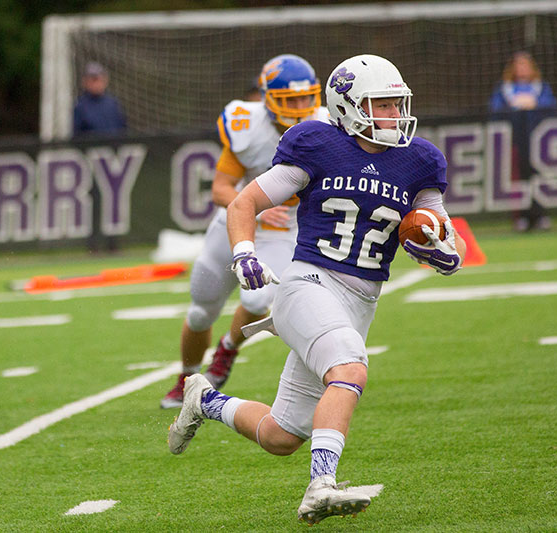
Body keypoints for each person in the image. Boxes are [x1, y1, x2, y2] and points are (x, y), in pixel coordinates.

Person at [167, 54, 467, 525]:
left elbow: (444, 235)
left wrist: (440, 249)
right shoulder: (316, 144)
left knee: (281, 436)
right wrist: (245, 251)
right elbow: (244, 200)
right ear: (348, 106)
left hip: (360, 301)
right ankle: (321, 486)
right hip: (309, 283)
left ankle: (206, 400)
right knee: (350, 366)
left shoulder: (420, 160)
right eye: (382, 104)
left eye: (396, 104)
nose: (393, 114)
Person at [160, 54, 328, 409]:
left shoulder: (329, 128)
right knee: (200, 311)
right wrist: (252, 204)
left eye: (305, 98)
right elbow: (221, 188)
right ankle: (188, 376)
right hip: (236, 223)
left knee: (255, 300)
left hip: (283, 232)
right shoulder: (246, 123)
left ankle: (227, 349)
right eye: (289, 100)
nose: (300, 108)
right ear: (268, 98)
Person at [489, 51, 556, 232]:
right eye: (518, 65)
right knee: (518, 179)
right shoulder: (505, 88)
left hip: (538, 143)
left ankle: (541, 215)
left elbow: (551, 106)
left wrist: (534, 105)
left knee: (539, 178)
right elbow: (494, 110)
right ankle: (521, 217)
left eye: (525, 65)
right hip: (515, 142)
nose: (522, 69)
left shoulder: (541, 87)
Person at [72, 61, 127, 253]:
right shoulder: (81, 105)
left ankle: (114, 243)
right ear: (86, 81)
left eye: (98, 78)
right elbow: (76, 135)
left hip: (114, 161)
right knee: (94, 203)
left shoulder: (112, 103)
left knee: (114, 203)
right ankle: (93, 244)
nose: (96, 83)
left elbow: (122, 128)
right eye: (92, 79)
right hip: (92, 163)